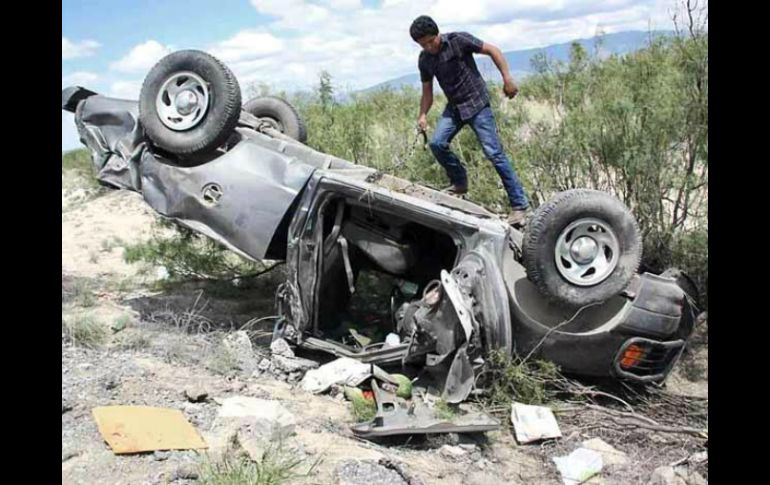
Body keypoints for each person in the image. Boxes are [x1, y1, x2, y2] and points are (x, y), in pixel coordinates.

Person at [410, 15, 529, 226]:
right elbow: (427, 92)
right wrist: (422, 114)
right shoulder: (425, 60)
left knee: (494, 153)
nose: (428, 47)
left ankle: (519, 206)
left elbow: (493, 50)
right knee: (437, 143)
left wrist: (507, 79)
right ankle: (459, 182)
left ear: (437, 34)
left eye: (430, 41)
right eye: (423, 44)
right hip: (455, 107)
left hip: (477, 103)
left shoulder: (458, 40)